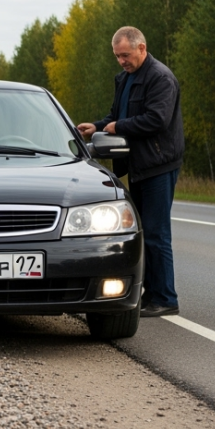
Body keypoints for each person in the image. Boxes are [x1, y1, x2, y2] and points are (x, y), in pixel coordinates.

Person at [77, 26, 184, 317]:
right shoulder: (125, 79)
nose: (122, 61)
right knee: (143, 232)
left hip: (158, 165)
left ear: (141, 48)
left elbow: (157, 120)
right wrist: (97, 127)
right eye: (117, 56)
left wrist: (118, 127)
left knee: (157, 234)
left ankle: (165, 298)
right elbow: (116, 116)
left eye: (125, 55)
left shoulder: (160, 77)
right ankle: (150, 294)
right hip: (138, 165)